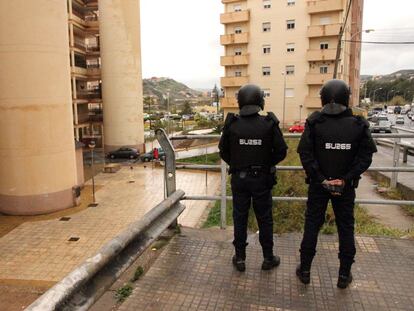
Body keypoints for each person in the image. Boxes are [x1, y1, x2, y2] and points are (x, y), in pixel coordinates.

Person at [296, 79, 377, 288]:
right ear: (346, 98)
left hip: (318, 185)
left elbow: (305, 153)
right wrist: (346, 178)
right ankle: (343, 275)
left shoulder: (314, 122)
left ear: (323, 97)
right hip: (345, 187)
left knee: (312, 226)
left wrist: (321, 178)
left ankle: (304, 270)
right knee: (346, 229)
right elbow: (366, 157)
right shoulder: (358, 124)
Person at [219, 84, 288, 272]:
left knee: (240, 217)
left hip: (239, 180)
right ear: (260, 101)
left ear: (240, 101)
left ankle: (240, 258)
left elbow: (223, 150)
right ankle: (268, 258)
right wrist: (266, 164)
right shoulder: (268, 124)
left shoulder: (232, 124)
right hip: (262, 180)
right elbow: (281, 151)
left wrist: (237, 163)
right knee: (264, 218)